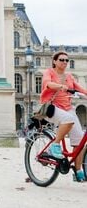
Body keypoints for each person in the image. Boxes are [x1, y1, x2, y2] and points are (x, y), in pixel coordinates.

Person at [40, 51, 87, 182]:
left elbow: (81, 90)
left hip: (68, 108)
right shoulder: (48, 72)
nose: (65, 62)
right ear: (54, 61)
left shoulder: (70, 76)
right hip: (52, 107)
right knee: (68, 119)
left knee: (79, 141)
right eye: (61, 60)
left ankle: (78, 171)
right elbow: (48, 84)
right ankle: (54, 146)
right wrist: (62, 87)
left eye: (67, 60)